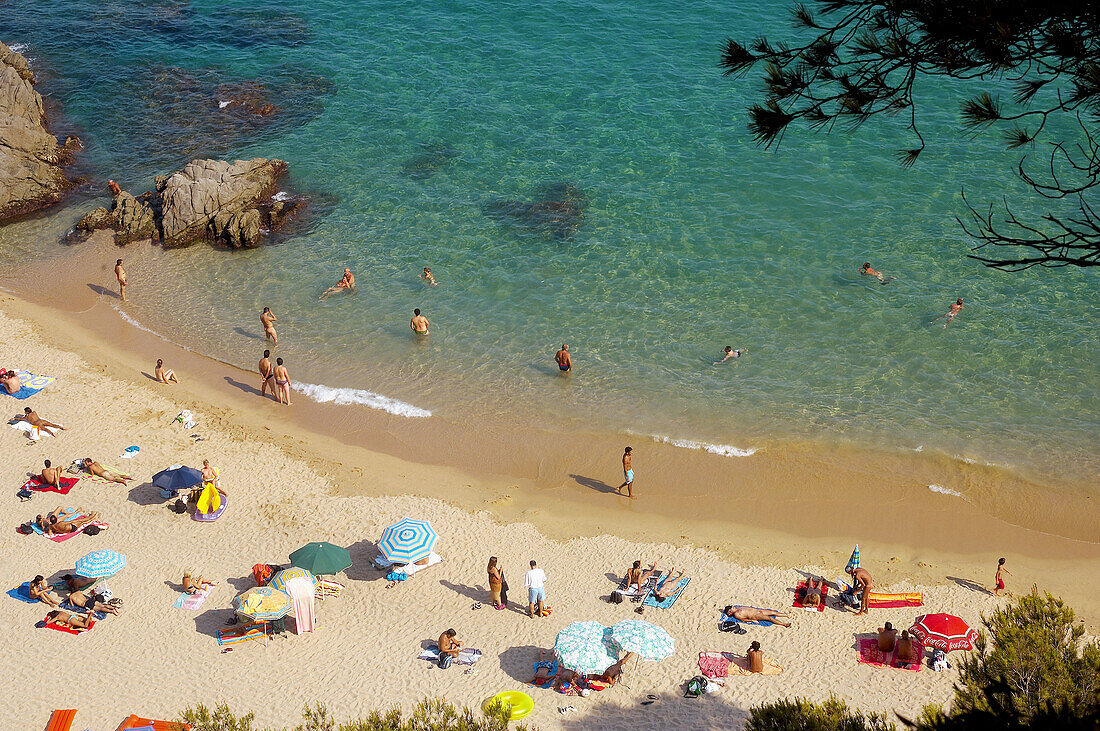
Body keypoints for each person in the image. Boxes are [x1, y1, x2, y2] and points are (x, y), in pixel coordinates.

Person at [724, 605, 792, 627]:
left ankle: (786, 615)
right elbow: (743, 620)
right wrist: (752, 620)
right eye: (731, 608)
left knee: (773, 612)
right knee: (770, 618)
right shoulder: (736, 614)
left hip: (757, 610)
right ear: (730, 612)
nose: (733, 607)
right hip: (755, 615)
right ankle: (784, 624)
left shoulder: (737, 607)